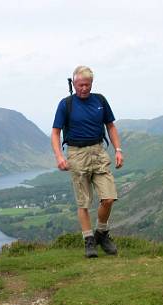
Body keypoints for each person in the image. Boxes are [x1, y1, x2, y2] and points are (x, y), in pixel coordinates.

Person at [51, 66, 124, 257]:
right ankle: (88, 240)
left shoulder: (100, 100)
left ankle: (101, 233)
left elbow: (111, 126)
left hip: (99, 151)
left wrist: (118, 150)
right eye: (80, 85)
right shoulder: (66, 104)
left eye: (87, 84)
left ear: (92, 83)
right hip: (76, 154)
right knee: (83, 203)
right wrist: (59, 156)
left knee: (108, 198)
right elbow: (56, 132)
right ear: (74, 84)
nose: (84, 88)